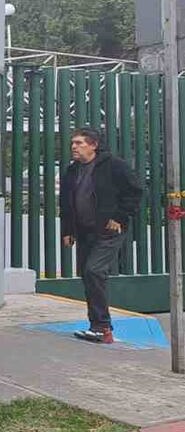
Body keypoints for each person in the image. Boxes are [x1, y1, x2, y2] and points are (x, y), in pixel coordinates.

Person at [60, 127, 142, 344]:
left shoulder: (114, 166)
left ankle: (103, 327)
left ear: (93, 145)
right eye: (73, 143)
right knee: (88, 276)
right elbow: (66, 203)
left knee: (94, 271)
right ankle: (96, 326)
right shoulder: (72, 171)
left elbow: (135, 191)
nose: (74, 147)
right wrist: (68, 230)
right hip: (85, 231)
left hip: (109, 230)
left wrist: (120, 217)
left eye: (79, 143)